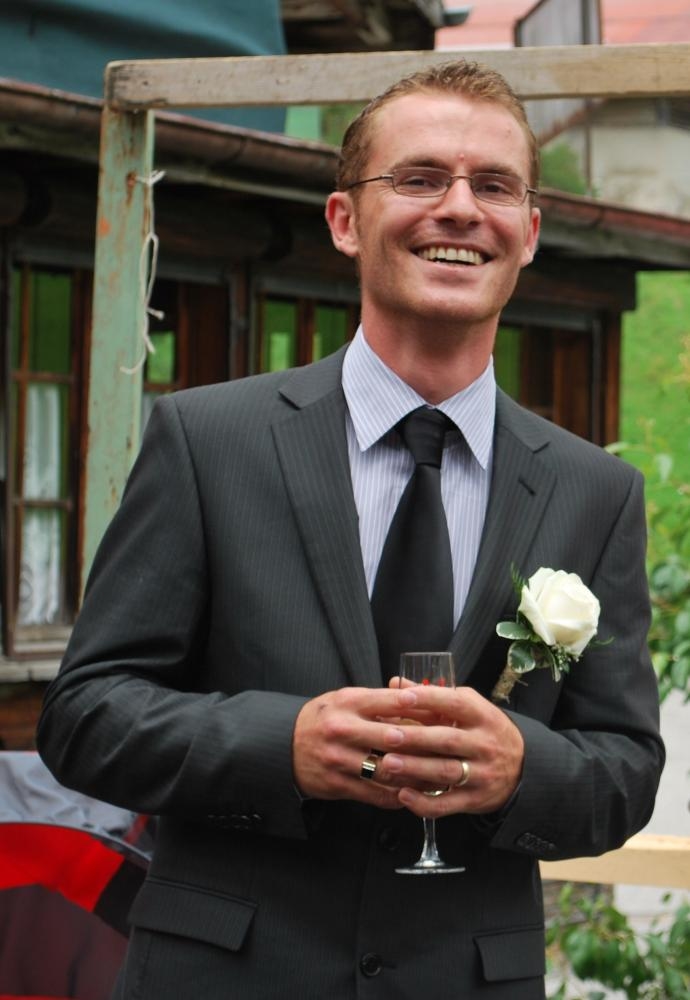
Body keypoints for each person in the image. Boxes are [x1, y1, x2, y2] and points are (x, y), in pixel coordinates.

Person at [37, 60, 664, 999]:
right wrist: (282, 744)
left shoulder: (594, 491)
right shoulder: (207, 441)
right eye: (420, 178)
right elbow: (85, 717)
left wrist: (518, 767)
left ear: (529, 233)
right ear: (344, 220)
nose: (461, 208)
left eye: (495, 186)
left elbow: (626, 771)